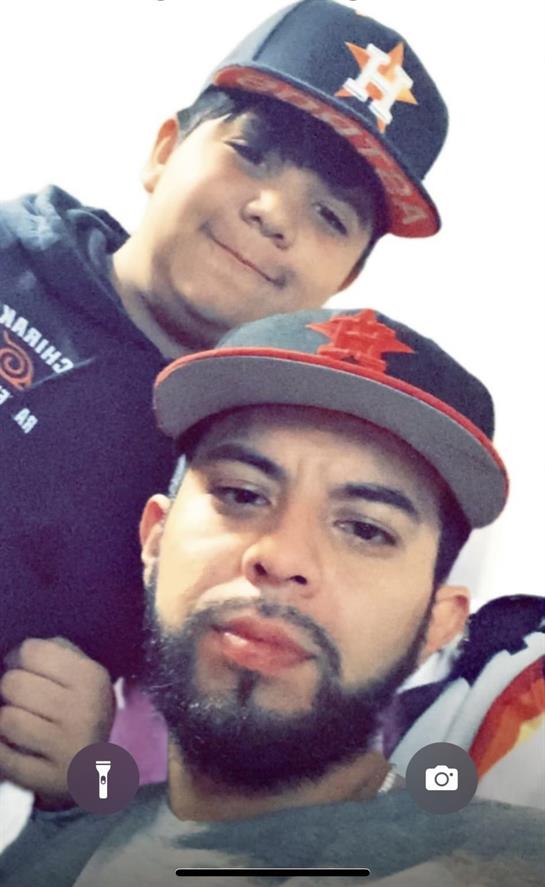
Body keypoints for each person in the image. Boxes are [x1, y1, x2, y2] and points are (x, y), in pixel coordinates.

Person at [0, 0, 449, 805]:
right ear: (164, 150)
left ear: (343, 281)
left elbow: (162, 758)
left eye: (329, 214)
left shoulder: (251, 458)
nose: (272, 213)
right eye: (252, 154)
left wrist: (83, 762)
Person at [1, 307, 543, 887]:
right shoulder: (56, 848)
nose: (282, 557)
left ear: (436, 627)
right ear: (155, 539)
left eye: (365, 528)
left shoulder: (498, 864)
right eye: (241, 493)